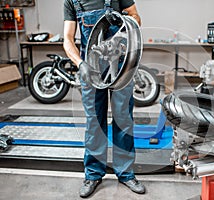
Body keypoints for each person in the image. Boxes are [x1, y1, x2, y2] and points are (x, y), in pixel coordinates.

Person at [63, 0, 145, 198]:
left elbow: (136, 19)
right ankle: (93, 175)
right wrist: (80, 64)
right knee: (94, 122)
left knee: (123, 119)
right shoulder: (71, 1)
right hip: (90, 68)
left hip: (121, 65)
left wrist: (123, 19)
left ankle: (125, 174)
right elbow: (67, 38)